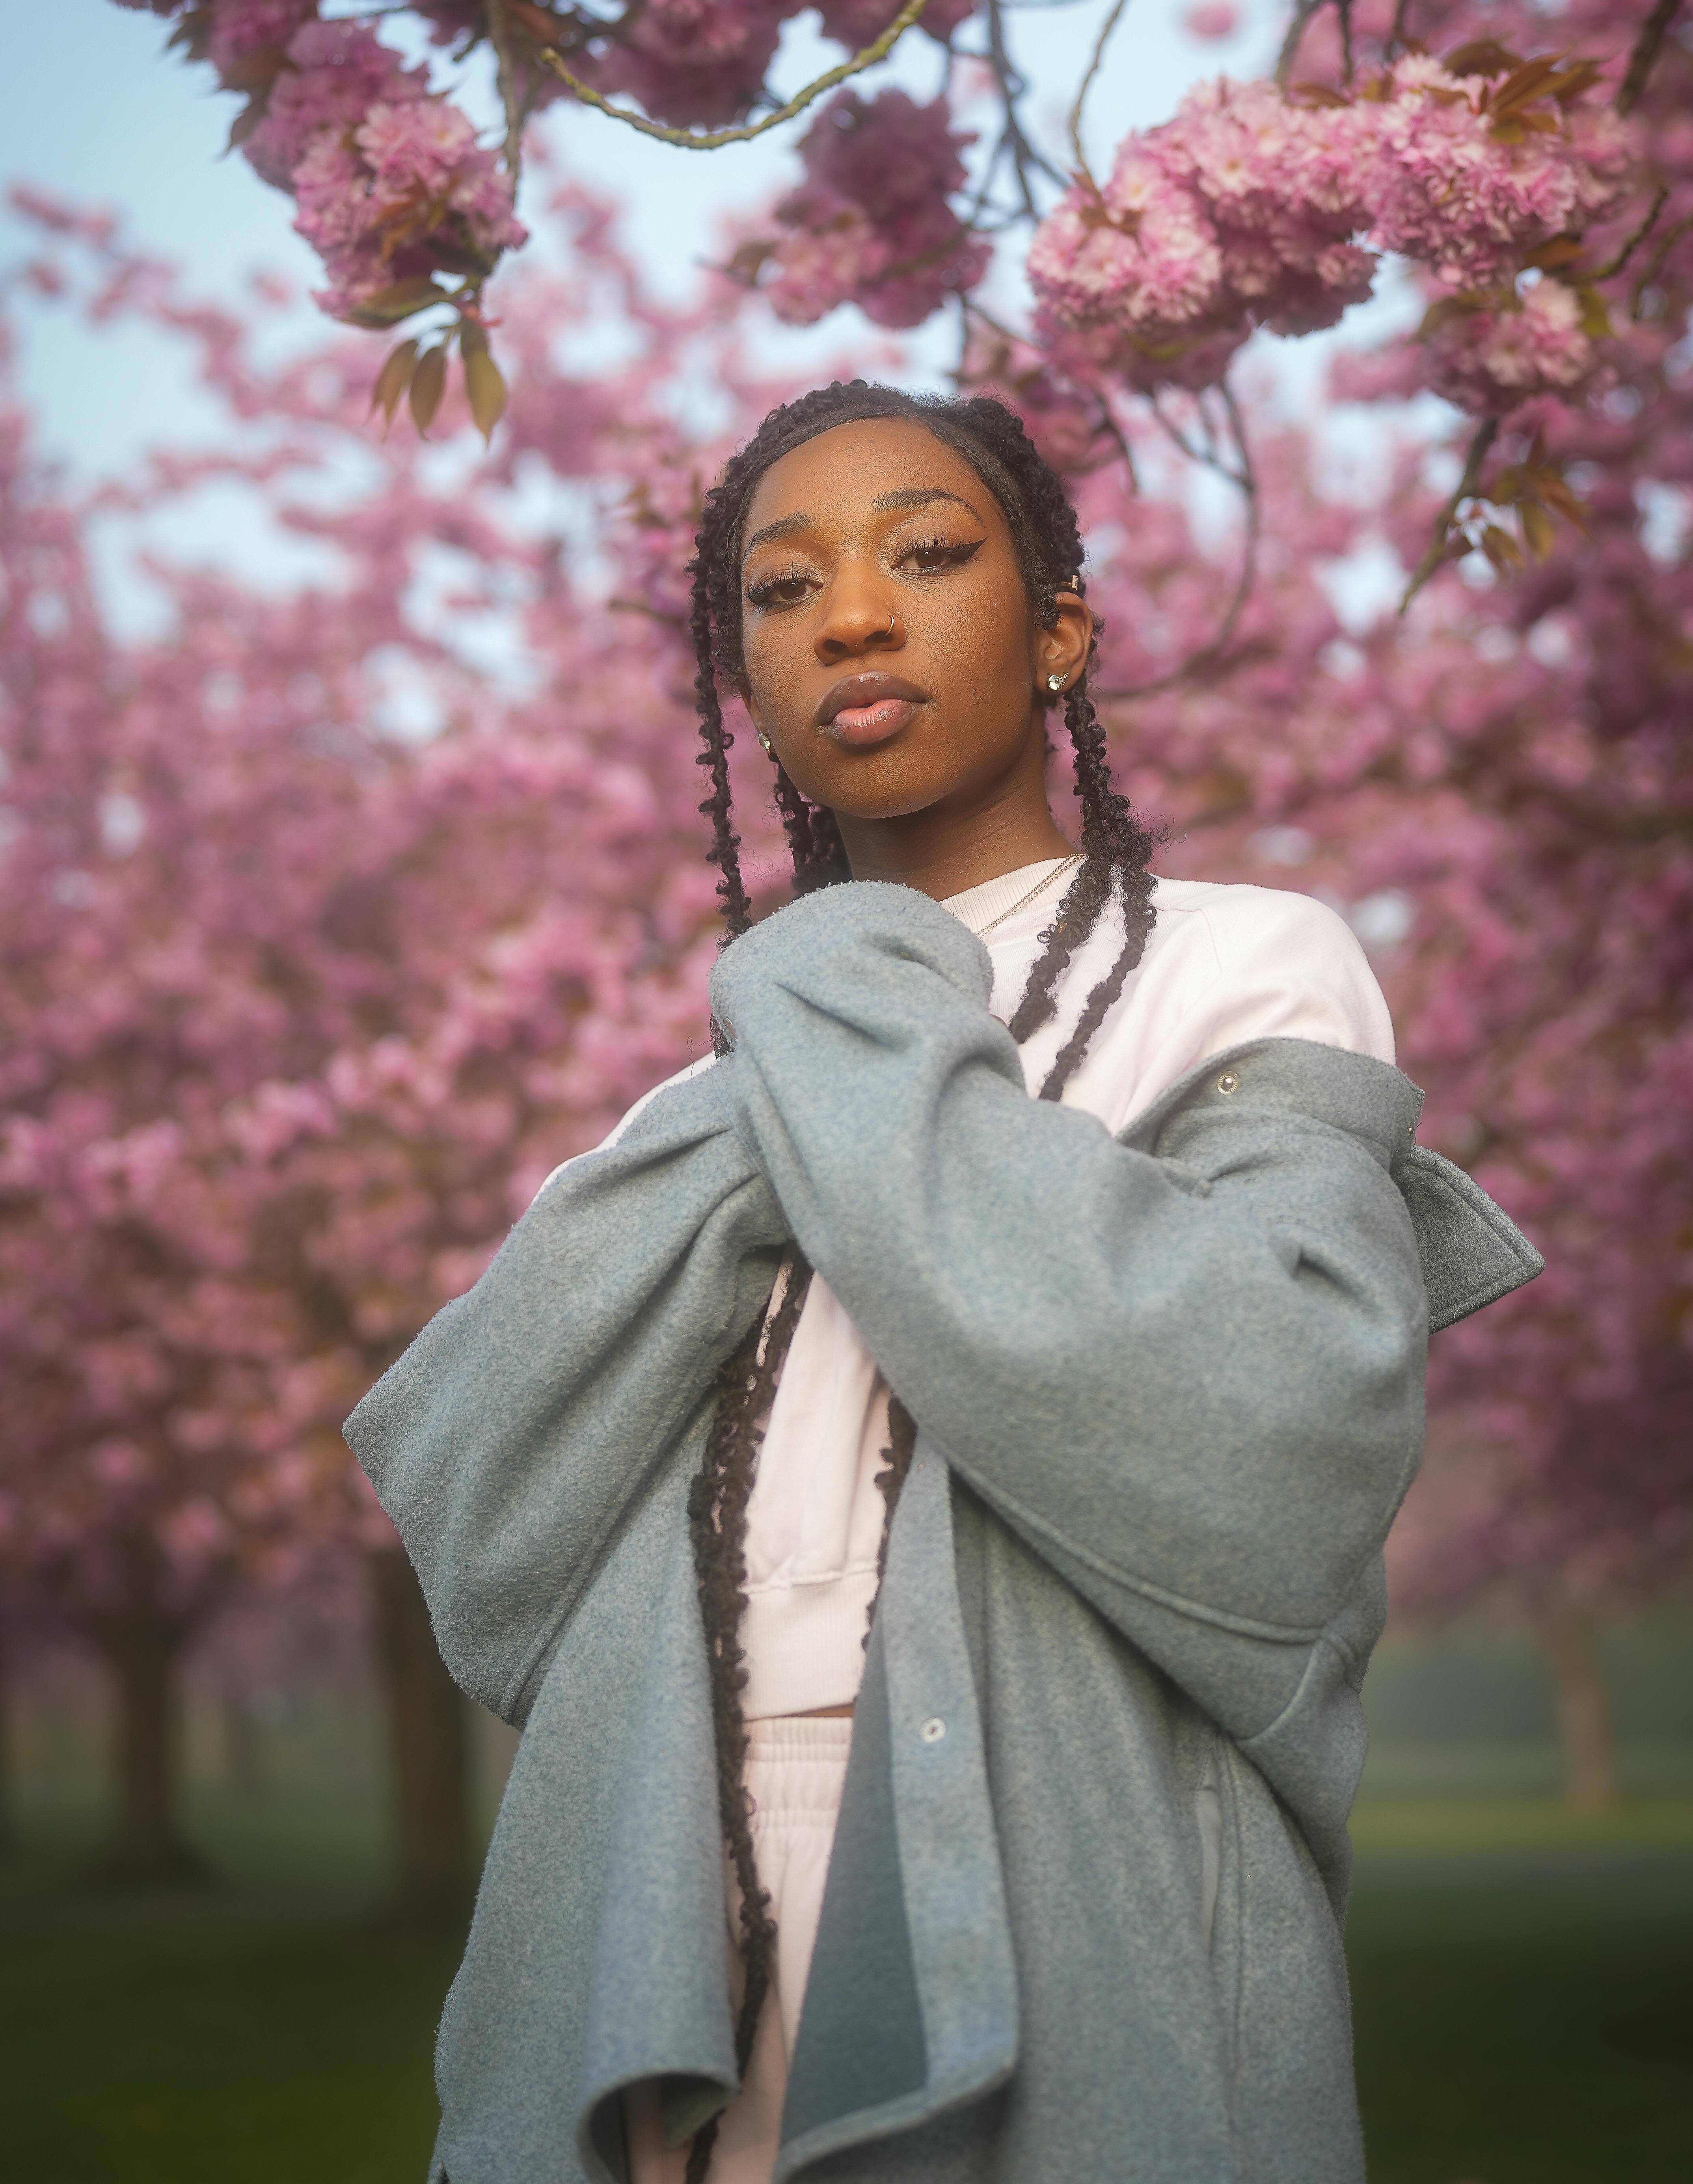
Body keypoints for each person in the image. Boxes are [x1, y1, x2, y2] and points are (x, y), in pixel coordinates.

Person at [347, 381, 1541, 2184]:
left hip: (1074, 1857)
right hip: (662, 1903)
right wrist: (801, 1070)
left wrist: (835, 1004)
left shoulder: (1236, 965)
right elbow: (486, 1522)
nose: (848, 615)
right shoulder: (704, 1102)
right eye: (779, 589)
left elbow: (1271, 1432)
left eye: (926, 553)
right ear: (741, 678)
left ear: (1058, 628)